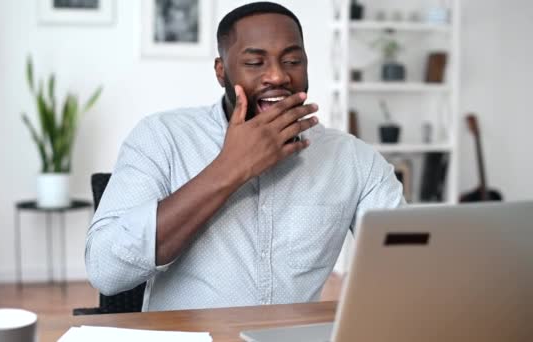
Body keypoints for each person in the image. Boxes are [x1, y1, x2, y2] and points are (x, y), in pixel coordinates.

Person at [85, 2, 403, 312]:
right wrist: (230, 168)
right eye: (255, 63)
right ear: (221, 71)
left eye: (292, 61)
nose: (277, 76)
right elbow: (106, 271)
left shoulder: (354, 160)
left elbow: (407, 265)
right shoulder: (161, 137)